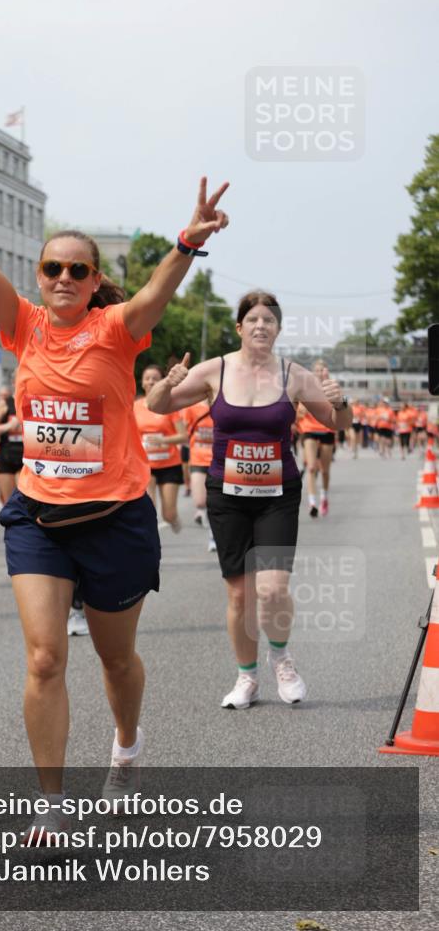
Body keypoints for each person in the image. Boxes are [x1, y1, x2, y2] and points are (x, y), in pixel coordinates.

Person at [0, 123, 229, 835]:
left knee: (116, 658)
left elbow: (156, 289)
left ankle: (126, 746)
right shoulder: (23, 325)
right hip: (39, 517)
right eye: (52, 269)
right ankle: (52, 801)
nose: (63, 278)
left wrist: (187, 242)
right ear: (39, 276)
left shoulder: (118, 329)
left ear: (95, 281)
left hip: (115, 518)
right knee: (44, 657)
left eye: (77, 270)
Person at [147, 290, 351, 709]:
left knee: (273, 589)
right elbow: (157, 406)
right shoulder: (214, 370)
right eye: (253, 319)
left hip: (277, 495)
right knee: (240, 594)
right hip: (228, 495)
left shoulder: (294, 375)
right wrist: (167, 383)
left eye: (269, 320)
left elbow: (337, 423)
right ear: (239, 327)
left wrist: (340, 401)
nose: (261, 326)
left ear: (278, 329)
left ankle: (281, 659)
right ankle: (247, 677)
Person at [133, 363, 187, 532]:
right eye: (147, 378)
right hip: (145, 465)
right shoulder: (134, 407)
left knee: (168, 514)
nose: (150, 381)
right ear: (142, 383)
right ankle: (150, 541)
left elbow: (184, 436)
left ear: (161, 382)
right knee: (149, 509)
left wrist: (164, 440)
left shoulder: (169, 406)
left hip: (169, 465)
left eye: (155, 379)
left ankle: (174, 520)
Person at [297, 362, 337, 517]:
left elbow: (342, 406)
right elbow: (300, 412)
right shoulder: (306, 389)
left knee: (325, 470)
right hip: (309, 431)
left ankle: (324, 497)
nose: (320, 373)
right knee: (312, 467)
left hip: (326, 430)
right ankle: (312, 502)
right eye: (317, 370)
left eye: (322, 370)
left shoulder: (332, 388)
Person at [181, 395, 216, 551]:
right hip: (198, 459)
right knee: (200, 502)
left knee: (216, 501)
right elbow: (183, 433)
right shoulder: (192, 408)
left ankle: (213, 536)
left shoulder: (224, 404)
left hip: (219, 460)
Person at [0, 383, 23, 505]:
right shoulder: (6, 403)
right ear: (15, 383)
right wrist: (9, 426)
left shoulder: (34, 402)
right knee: (10, 503)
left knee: (24, 500)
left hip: (26, 459)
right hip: (6, 456)